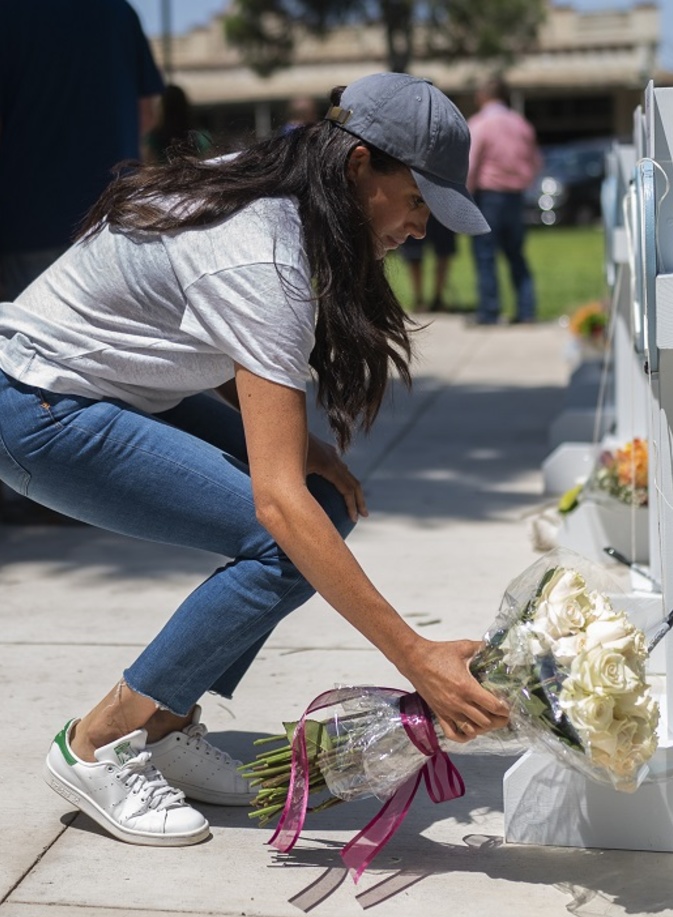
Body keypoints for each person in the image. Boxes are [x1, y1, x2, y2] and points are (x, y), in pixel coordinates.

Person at [0, 72, 509, 847]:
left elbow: (194, 336)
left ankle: (166, 724)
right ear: (358, 165)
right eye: (416, 202)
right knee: (284, 535)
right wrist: (415, 656)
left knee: (321, 502)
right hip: (36, 407)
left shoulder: (278, 192)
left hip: (100, 388)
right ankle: (97, 745)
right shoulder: (263, 256)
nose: (420, 228)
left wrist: (297, 445)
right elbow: (276, 506)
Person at [0, 0, 165, 302]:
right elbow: (146, 115)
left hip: (29, 221)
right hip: (116, 220)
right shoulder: (119, 12)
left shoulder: (8, 13)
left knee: (34, 339)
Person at [467, 77, 542, 325]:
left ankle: (489, 311)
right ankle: (527, 309)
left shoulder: (480, 124)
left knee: (485, 254)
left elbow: (471, 162)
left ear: (482, 96)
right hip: (516, 196)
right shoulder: (521, 124)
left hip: (489, 195)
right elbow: (536, 161)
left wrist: (465, 193)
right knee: (516, 254)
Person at [399, 214, 457, 312]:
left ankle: (437, 299)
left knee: (444, 253)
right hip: (419, 205)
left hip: (442, 209)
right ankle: (419, 300)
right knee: (414, 255)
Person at [144, 84, 212, 164]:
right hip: (195, 175)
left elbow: (148, 166)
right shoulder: (201, 137)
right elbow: (208, 162)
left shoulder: (153, 139)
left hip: (164, 176)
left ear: (162, 109)